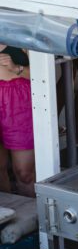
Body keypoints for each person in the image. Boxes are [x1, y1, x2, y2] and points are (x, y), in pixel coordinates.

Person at [0, 44, 35, 197]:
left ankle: (35, 218)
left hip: (18, 102)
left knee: (24, 173)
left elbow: (42, 74)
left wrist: (16, 68)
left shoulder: (21, 30)